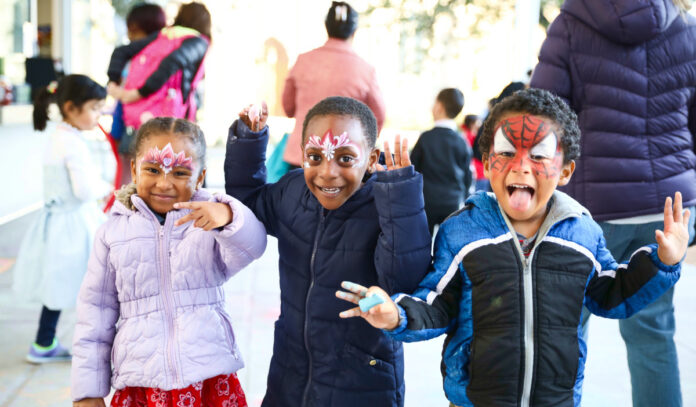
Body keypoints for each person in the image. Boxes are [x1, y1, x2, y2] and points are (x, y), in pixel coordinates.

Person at [336, 88, 691, 407]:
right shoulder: (464, 230)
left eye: (539, 156)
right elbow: (438, 303)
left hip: (555, 400)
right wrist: (397, 314)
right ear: (488, 162)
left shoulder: (582, 232)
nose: (521, 167)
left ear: (565, 170)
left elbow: (613, 293)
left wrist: (662, 262)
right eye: (507, 153)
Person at [529, 1, 696, 406]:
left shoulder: (570, 24)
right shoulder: (685, 28)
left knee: (563, 330)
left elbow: (541, 119)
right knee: (653, 333)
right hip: (666, 206)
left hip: (588, 208)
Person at [224, 96, 431, 406]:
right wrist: (249, 142)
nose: (327, 172)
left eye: (345, 158)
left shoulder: (385, 205)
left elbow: (403, 281)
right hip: (290, 372)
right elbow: (249, 203)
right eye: (315, 156)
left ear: (372, 159)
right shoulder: (293, 192)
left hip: (361, 381)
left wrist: (401, 197)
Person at [70, 117, 267, 407]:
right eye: (152, 169)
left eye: (179, 172)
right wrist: (88, 391)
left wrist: (227, 216)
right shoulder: (111, 233)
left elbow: (253, 246)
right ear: (135, 169)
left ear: (200, 177)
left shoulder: (209, 223)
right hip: (142, 384)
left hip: (207, 378)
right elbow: (94, 316)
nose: (164, 183)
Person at [12, 75, 111, 363]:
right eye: (94, 108)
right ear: (70, 107)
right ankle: (96, 346)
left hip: (56, 222)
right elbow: (83, 191)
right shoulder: (73, 143)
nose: (98, 115)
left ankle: (44, 343)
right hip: (74, 224)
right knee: (94, 284)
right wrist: (106, 188)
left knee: (57, 285)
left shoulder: (59, 137)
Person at [281, 1, 386, 169]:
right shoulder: (365, 70)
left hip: (302, 154)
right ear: (354, 32)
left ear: (326, 26)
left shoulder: (303, 61)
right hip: (344, 160)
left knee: (295, 195)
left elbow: (287, 108)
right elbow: (378, 116)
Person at [106, 2, 210, 130]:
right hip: (170, 114)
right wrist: (139, 93)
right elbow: (171, 62)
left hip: (137, 112)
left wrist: (113, 81)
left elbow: (120, 51)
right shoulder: (198, 41)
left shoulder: (164, 34)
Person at [109, 2, 167, 185]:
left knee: (134, 180)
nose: (129, 35)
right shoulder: (148, 56)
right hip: (137, 125)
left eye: (132, 30)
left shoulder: (145, 57)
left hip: (136, 127)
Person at [411, 88, 472, 235]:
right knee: (448, 244)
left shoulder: (426, 138)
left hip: (427, 201)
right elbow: (467, 176)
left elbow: (413, 169)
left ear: (439, 107)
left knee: (423, 241)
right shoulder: (461, 141)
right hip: (452, 202)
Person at [461, 114, 486, 192]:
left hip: (478, 170)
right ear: (472, 123)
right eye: (478, 121)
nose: (480, 123)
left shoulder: (467, 135)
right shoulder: (469, 136)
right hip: (477, 171)